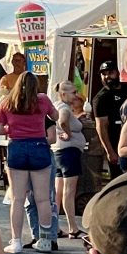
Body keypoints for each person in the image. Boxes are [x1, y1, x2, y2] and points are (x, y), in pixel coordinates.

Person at [0, 72, 58, 252]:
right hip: (39, 146)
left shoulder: (7, 102)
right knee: (43, 198)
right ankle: (45, 240)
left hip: (17, 147)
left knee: (18, 198)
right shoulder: (43, 100)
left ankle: (16, 241)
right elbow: (56, 116)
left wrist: (13, 127)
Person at [89, 58, 127, 187]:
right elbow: (101, 126)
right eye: (104, 74)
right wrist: (110, 151)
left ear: (117, 72)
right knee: (120, 180)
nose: (107, 76)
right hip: (116, 143)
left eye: (110, 72)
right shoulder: (100, 98)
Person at [51, 81, 88, 243]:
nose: (76, 95)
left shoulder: (57, 105)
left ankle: (55, 226)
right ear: (63, 94)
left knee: (58, 191)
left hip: (60, 152)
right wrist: (68, 134)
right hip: (68, 152)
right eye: (73, 92)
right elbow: (62, 121)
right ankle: (73, 227)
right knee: (69, 190)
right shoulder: (64, 108)